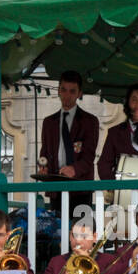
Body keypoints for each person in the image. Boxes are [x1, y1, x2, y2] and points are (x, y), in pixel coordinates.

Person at [38, 70, 100, 216]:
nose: (67, 95)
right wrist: (43, 166)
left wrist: (74, 169)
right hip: (56, 186)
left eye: (72, 91)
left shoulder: (89, 121)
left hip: (80, 188)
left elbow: (89, 156)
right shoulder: (48, 122)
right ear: (58, 90)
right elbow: (44, 153)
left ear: (79, 94)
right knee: (57, 231)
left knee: (81, 233)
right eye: (64, 90)